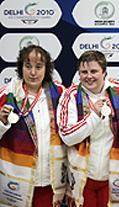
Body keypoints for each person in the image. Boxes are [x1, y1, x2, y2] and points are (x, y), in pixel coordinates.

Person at [56, 50, 119, 207]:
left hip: (114, 176)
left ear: (104, 72)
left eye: (94, 71)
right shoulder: (70, 95)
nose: (89, 76)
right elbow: (67, 137)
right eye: (84, 72)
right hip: (83, 177)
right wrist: (94, 115)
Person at [0, 45, 66, 206]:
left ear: (47, 68)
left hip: (51, 182)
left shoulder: (59, 93)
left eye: (39, 67)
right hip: (17, 183)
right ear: (20, 68)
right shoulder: (7, 94)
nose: (33, 73)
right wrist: (1, 122)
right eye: (28, 66)